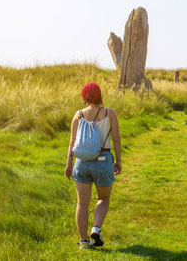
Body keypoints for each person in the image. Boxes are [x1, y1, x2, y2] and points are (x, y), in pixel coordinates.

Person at [65, 82, 122, 249]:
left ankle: (83, 242)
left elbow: (72, 142)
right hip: (103, 160)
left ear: (85, 97)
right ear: (100, 95)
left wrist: (69, 163)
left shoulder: (78, 115)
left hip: (81, 162)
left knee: (82, 203)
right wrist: (118, 161)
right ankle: (96, 228)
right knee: (103, 198)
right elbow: (117, 140)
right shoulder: (109, 113)